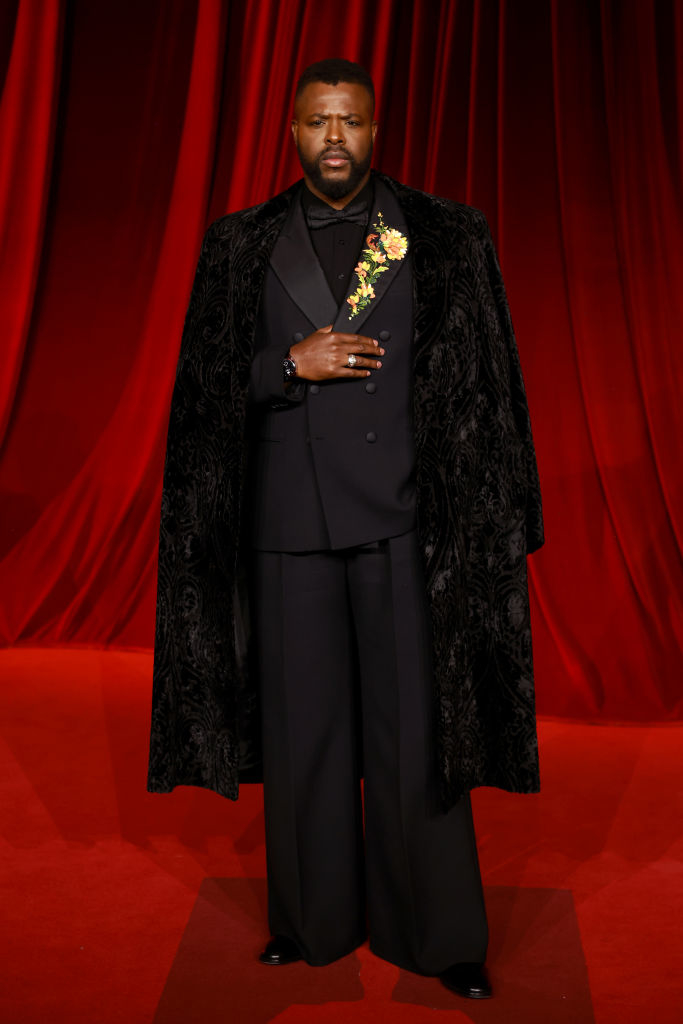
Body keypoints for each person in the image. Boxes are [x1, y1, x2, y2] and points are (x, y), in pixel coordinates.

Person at [147, 58, 544, 1002]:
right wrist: (289, 361)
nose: (335, 137)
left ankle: (439, 937)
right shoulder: (238, 244)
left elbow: (489, 385)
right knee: (304, 736)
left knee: (416, 736)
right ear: (291, 131)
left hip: (406, 521)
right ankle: (309, 923)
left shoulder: (441, 237)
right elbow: (202, 391)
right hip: (288, 523)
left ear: (375, 131)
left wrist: (496, 516)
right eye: (318, 121)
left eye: (351, 122)